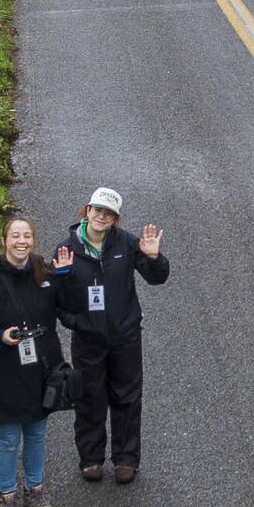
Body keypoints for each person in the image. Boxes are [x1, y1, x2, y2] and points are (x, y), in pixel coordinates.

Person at [0, 214, 75, 507]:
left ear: (33, 240)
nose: (21, 241)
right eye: (15, 236)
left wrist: (65, 277)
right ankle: (8, 496)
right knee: (9, 437)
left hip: (41, 369)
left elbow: (67, 307)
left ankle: (34, 492)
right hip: (5, 370)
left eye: (26, 236)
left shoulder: (45, 274)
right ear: (4, 241)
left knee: (37, 435)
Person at [55, 186, 168, 485]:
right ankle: (90, 459)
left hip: (125, 338)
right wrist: (77, 323)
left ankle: (126, 460)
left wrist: (155, 259)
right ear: (87, 211)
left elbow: (157, 278)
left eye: (109, 214)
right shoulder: (67, 250)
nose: (101, 217)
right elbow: (59, 301)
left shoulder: (128, 243)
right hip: (88, 341)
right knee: (89, 398)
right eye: (97, 210)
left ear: (115, 219)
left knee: (127, 398)